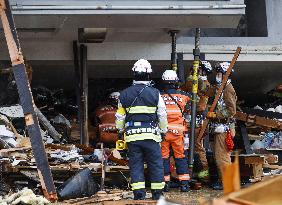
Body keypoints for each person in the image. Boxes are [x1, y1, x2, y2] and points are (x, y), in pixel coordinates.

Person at [115, 59, 168, 200]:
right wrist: (163, 131)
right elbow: (162, 115)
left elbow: (120, 117)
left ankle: (139, 193)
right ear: (148, 75)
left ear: (133, 74)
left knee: (136, 164)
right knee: (156, 164)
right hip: (151, 136)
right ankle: (157, 194)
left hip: (132, 137)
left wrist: (120, 131)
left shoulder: (124, 94)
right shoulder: (156, 93)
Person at [206, 62, 237, 190]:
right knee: (218, 156)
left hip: (224, 128)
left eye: (219, 74)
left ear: (225, 75)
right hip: (218, 128)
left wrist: (215, 114)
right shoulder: (220, 87)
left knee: (222, 157)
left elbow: (231, 111)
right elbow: (207, 91)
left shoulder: (228, 89)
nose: (217, 76)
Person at [181, 61, 213, 181]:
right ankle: (189, 172)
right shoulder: (196, 83)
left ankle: (203, 175)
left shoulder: (203, 84)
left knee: (197, 147)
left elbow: (201, 106)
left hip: (196, 123)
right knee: (187, 147)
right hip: (189, 122)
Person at [160, 70, 190, 192]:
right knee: (180, 157)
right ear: (176, 82)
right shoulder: (184, 96)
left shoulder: (159, 96)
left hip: (164, 132)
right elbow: (192, 108)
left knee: (164, 158)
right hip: (179, 132)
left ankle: (165, 184)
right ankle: (184, 184)